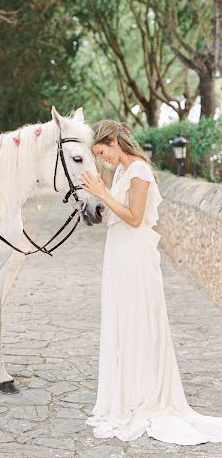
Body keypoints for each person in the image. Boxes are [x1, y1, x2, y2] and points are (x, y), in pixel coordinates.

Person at [79, 119, 222, 445]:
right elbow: (115, 215)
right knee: (121, 322)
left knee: (138, 322)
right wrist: (98, 201)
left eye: (103, 152)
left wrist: (103, 193)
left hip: (136, 258)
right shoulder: (118, 174)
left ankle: (144, 396)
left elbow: (134, 217)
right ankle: (125, 394)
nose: (104, 160)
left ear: (114, 140)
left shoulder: (140, 171)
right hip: (118, 254)